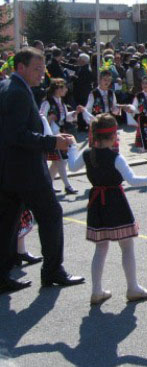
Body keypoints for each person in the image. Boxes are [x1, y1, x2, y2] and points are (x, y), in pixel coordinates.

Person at [0, 48, 84, 293]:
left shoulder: (7, 86)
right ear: (21, 67)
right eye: (37, 69)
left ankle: (3, 275)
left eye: (43, 68)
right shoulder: (17, 92)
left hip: (10, 169)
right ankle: (53, 271)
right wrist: (52, 142)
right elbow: (18, 135)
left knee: (7, 222)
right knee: (51, 214)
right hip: (25, 170)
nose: (41, 73)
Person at [67, 114, 147, 305]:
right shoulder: (116, 157)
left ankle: (96, 291)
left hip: (97, 204)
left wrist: (72, 146)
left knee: (101, 247)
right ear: (112, 136)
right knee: (127, 245)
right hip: (116, 203)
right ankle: (132, 288)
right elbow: (133, 180)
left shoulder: (88, 154)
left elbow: (73, 167)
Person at [40, 78, 84, 194]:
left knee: (57, 162)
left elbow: (65, 117)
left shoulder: (62, 103)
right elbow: (40, 118)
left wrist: (75, 113)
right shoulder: (47, 103)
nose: (66, 90)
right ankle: (67, 186)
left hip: (60, 133)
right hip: (52, 135)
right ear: (58, 89)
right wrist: (49, 119)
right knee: (61, 161)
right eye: (64, 87)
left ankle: (47, 185)